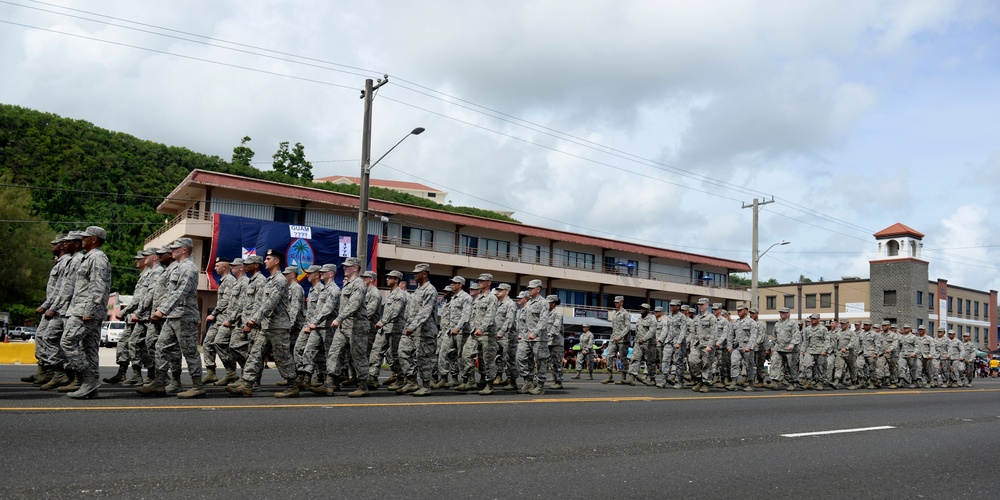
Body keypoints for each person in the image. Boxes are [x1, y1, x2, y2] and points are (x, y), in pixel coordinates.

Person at [228, 250, 298, 398]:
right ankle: (247, 384)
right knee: (255, 354)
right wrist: (252, 321)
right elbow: (259, 304)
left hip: (278, 326)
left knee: (282, 357)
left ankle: (292, 386)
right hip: (265, 325)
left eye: (268, 259)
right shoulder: (269, 280)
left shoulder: (280, 280)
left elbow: (270, 303)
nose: (265, 261)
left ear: (276, 261)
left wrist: (253, 321)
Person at [61, 226, 111, 399]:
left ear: (94, 240)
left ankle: (88, 380)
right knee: (89, 348)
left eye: (86, 237)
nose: (82, 239)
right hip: (84, 309)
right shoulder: (89, 257)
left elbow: (98, 286)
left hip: (86, 310)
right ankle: (91, 388)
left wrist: (90, 310)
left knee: (67, 342)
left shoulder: (97, 258)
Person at [321, 257, 370, 397]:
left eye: (347, 266)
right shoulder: (348, 284)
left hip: (357, 327)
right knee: (334, 352)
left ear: (355, 268)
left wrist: (339, 318)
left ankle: (363, 386)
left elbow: (353, 305)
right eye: (344, 266)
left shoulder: (359, 284)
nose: (344, 268)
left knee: (358, 356)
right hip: (344, 326)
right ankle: (329, 384)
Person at [104, 250, 150, 385]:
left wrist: (124, 312)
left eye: (139, 259)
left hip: (141, 317)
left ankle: (151, 374)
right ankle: (122, 373)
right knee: (123, 343)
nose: (136, 261)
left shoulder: (150, 275)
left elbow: (140, 299)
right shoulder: (143, 275)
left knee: (140, 346)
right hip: (134, 317)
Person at [396, 263, 438, 397]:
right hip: (411, 330)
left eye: (417, 273)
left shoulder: (430, 290)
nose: (414, 275)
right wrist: (408, 325)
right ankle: (412, 381)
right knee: (402, 352)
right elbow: (410, 311)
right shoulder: (418, 290)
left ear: (424, 274)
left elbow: (425, 311)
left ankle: (426, 385)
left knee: (423, 359)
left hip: (424, 331)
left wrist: (412, 326)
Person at [458, 274, 499, 394]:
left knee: (487, 360)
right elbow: (473, 315)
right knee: (466, 355)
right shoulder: (479, 297)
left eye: (482, 281)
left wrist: (482, 328)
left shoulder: (492, 298)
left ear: (489, 282)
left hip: (487, 334)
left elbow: (490, 316)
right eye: (479, 280)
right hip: (474, 333)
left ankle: (489, 384)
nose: (479, 282)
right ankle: (471, 380)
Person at [201, 257, 235, 385]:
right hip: (218, 319)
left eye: (217, 266)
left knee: (220, 344)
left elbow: (226, 300)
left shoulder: (230, 280)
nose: (215, 268)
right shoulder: (223, 280)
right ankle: (211, 372)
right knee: (207, 343)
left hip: (224, 318)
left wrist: (213, 313)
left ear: (224, 267)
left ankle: (231, 372)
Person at [212, 258, 245, 386]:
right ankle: (233, 374)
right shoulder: (236, 282)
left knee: (236, 347)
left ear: (241, 267)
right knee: (222, 343)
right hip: (230, 319)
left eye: (234, 266)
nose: (232, 268)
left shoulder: (241, 282)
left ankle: (248, 377)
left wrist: (231, 319)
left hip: (237, 321)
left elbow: (242, 304)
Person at [435, 276, 472, 389]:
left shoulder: (466, 297)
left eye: (454, 283)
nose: (452, 285)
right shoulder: (454, 298)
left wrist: (458, 327)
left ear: (460, 284)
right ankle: (444, 378)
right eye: (452, 283)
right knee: (443, 353)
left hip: (461, 332)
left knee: (461, 357)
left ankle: (465, 380)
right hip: (450, 331)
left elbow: (466, 315)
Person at [374, 270, 408, 390]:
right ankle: (375, 378)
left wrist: (382, 322)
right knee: (382, 352)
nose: (387, 279)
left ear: (396, 280)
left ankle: (401, 378)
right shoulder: (392, 293)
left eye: (390, 278)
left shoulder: (400, 294)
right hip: (387, 329)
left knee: (395, 355)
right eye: (387, 277)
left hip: (396, 329)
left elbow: (395, 311)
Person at [293, 265, 324, 388]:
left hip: (317, 326)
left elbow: (321, 310)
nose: (307, 275)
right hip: (307, 324)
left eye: (310, 273)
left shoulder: (322, 289)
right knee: (298, 348)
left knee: (313, 352)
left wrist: (314, 325)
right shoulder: (311, 290)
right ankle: (301, 374)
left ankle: (312, 377)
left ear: (317, 275)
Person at [516, 279, 549, 395]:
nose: (529, 290)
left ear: (538, 289)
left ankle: (540, 386)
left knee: (540, 362)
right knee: (520, 357)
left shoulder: (543, 303)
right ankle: (528, 381)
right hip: (526, 337)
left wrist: (534, 333)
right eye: (528, 288)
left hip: (539, 338)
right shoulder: (529, 303)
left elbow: (543, 321)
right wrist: (522, 333)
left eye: (531, 288)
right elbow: (525, 321)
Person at [687, 298, 719, 393]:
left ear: (707, 305)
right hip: (697, 345)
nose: (700, 306)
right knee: (692, 361)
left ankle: (705, 383)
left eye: (702, 304)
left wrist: (710, 345)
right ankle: (699, 379)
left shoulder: (711, 317)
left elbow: (714, 332)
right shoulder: (696, 318)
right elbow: (692, 332)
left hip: (707, 345)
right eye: (699, 305)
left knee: (706, 365)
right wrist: (692, 344)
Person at [727, 305, 759, 392]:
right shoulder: (735, 322)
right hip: (737, 347)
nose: (738, 312)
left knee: (749, 366)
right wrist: (729, 346)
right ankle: (733, 383)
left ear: (746, 311)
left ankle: (751, 383)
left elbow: (753, 336)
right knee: (734, 363)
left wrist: (749, 347)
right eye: (737, 311)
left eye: (740, 310)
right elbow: (730, 335)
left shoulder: (752, 322)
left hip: (747, 348)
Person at [769, 308, 801, 391]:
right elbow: (774, 336)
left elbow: (796, 335)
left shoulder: (793, 323)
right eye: (781, 312)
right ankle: (775, 381)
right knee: (775, 364)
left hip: (790, 349)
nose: (781, 314)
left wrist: (792, 344)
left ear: (788, 314)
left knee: (791, 366)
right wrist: (772, 346)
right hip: (779, 348)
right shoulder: (777, 324)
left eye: (783, 313)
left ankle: (792, 382)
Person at [602, 296, 630, 385]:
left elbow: (627, 327)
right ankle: (610, 376)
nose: (616, 303)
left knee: (623, 358)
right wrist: (614, 337)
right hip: (613, 339)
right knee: (609, 355)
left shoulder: (625, 313)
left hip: (622, 340)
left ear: (622, 302)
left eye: (618, 302)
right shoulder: (615, 313)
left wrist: (620, 336)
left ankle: (623, 378)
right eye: (615, 302)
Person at [627, 303, 657, 386]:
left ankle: (652, 379)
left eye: (643, 309)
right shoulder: (639, 319)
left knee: (650, 362)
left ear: (647, 310)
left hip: (649, 344)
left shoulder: (652, 319)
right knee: (635, 359)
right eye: (640, 308)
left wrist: (644, 339)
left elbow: (652, 331)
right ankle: (632, 378)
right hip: (639, 343)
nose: (641, 310)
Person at [493, 283, 517, 387]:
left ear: (507, 291)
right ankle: (499, 376)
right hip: (497, 335)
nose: (498, 292)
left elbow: (509, 320)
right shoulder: (498, 303)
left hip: (507, 336)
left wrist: (501, 332)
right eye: (498, 290)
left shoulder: (510, 304)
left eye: (501, 290)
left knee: (509, 359)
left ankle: (512, 380)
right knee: (498, 357)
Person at [798, 313, 829, 391]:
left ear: (819, 319)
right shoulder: (807, 329)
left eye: (814, 319)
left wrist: (825, 350)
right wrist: (803, 350)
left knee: (820, 367)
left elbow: (827, 340)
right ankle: (808, 381)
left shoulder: (823, 329)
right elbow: (805, 341)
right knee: (807, 365)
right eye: (812, 319)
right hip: (810, 350)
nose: (812, 320)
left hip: (820, 351)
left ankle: (820, 382)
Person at [545, 295, 565, 390]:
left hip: (556, 342)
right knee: (551, 362)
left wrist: (548, 335)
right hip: (548, 342)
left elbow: (556, 328)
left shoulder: (557, 313)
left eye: (548, 302)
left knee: (557, 361)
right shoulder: (546, 313)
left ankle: (559, 381)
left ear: (553, 303)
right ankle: (554, 377)